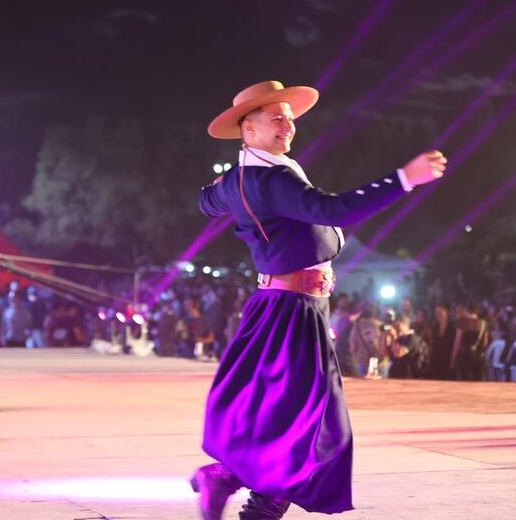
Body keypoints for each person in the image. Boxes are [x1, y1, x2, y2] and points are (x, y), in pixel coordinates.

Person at [191, 80, 447, 520]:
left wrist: (223, 186)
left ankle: (240, 488)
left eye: (289, 115)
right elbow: (335, 211)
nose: (286, 123)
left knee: (298, 420)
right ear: (246, 130)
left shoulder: (248, 175)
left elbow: (205, 202)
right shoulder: (269, 179)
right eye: (274, 116)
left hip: (288, 306)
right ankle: (234, 485)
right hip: (292, 310)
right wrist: (405, 179)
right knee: (315, 426)